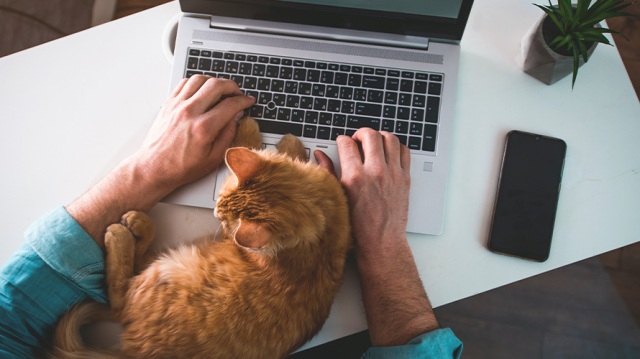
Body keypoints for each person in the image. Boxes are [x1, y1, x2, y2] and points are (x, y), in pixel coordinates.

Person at [0, 75, 462, 358]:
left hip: (216, 326)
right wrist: (384, 247)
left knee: (172, 279)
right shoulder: (291, 229)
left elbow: (11, 316)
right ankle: (124, 298)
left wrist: (149, 171)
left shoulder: (270, 227)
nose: (227, 227)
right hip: (212, 332)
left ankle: (123, 294)